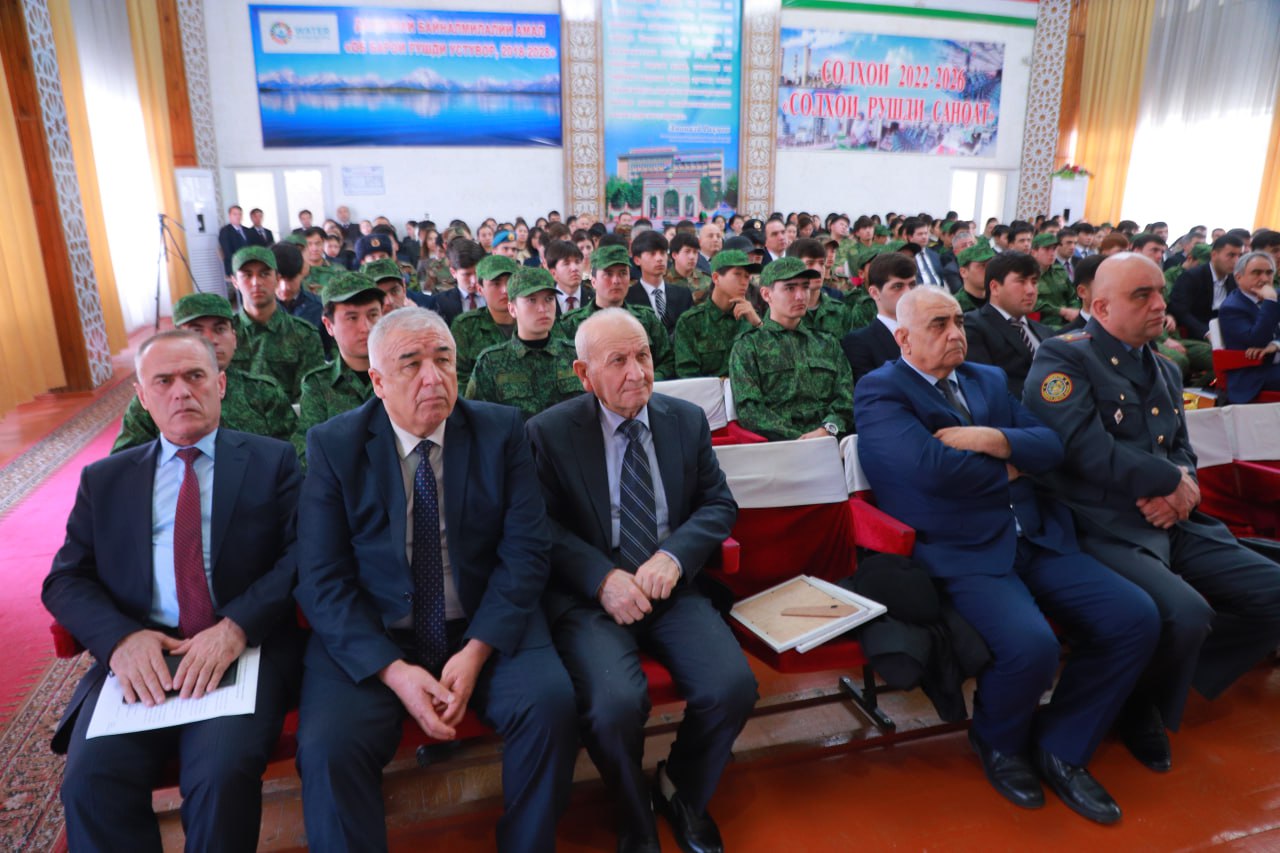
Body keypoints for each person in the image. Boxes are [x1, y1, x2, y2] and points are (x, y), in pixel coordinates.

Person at [855, 287, 1159, 825]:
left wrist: (992, 438)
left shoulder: (987, 378)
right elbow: (932, 472)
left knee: (1134, 618)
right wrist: (1016, 462)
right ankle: (999, 741)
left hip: (1038, 535)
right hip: (963, 548)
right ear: (903, 338)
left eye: (958, 321)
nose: (955, 333)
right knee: (1032, 647)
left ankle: (1062, 744)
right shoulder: (882, 391)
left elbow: (1051, 445)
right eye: (938, 325)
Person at [294, 308, 578, 852]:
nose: (434, 377)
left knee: (549, 707)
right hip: (378, 632)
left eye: (444, 360)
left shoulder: (501, 430)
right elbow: (322, 577)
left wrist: (477, 650)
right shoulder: (335, 445)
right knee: (329, 745)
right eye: (412, 364)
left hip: (482, 621)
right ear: (377, 381)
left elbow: (526, 552)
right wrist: (393, 671)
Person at [44, 330, 304, 850]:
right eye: (163, 381)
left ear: (220, 384)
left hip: (239, 650)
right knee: (90, 786)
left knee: (220, 776)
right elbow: (65, 579)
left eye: (195, 376)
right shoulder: (106, 480)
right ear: (142, 396)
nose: (181, 391)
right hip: (143, 653)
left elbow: (303, 555)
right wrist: (121, 640)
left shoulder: (271, 461)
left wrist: (235, 628)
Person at [1024, 252, 1280, 772]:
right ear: (1101, 307)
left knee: (1273, 592)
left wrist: (1184, 488)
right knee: (1186, 614)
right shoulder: (1063, 358)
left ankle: (1157, 683)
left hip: (1174, 518)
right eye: (1142, 295)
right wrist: (1169, 482)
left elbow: (1180, 447)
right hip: (1104, 524)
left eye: (1160, 292)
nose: (1160, 304)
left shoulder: (1162, 366)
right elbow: (1082, 449)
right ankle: (1143, 704)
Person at [526, 309, 757, 853]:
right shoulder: (549, 433)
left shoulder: (685, 420)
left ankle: (681, 789)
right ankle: (634, 816)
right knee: (614, 706)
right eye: (618, 361)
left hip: (668, 585)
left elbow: (718, 504)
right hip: (592, 597)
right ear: (584, 375)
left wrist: (674, 557)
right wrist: (601, 578)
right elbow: (540, 527)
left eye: (644, 355)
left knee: (732, 688)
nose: (637, 372)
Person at [114, 293, 296, 452]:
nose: (210, 339)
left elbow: (291, 456)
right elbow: (126, 464)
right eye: (196, 331)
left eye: (220, 329)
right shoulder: (153, 401)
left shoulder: (263, 392)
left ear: (234, 338)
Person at [728, 257, 854, 439]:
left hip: (828, 441)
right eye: (790, 288)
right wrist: (797, 438)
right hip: (779, 447)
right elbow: (750, 410)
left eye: (805, 287)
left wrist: (827, 429)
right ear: (766, 294)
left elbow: (846, 399)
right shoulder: (748, 347)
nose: (800, 296)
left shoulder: (827, 343)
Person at [466, 267, 583, 420]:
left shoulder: (575, 354)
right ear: (512, 309)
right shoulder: (491, 362)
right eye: (531, 300)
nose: (543, 309)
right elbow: (475, 418)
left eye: (549, 299)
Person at [293, 273, 384, 464]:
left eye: (373, 315)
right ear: (329, 325)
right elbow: (307, 454)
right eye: (352, 318)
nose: (366, 327)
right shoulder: (318, 385)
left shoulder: (402, 374)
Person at [561, 244, 675, 380]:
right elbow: (565, 371)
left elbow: (667, 361)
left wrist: (645, 380)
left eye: (622, 273)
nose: (616, 281)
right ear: (594, 281)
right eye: (608, 274)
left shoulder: (646, 319)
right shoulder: (571, 324)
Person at [228, 246, 326, 403]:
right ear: (235, 281)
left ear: (277, 278)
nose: (256, 282)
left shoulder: (304, 334)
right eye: (247, 275)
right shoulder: (225, 334)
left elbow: (311, 398)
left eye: (264, 274)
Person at [964, 251, 1058, 398]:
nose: (1031, 290)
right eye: (1021, 282)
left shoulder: (1045, 332)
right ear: (995, 287)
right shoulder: (973, 327)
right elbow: (986, 386)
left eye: (1034, 282)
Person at [673, 249, 763, 378]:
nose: (744, 282)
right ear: (716, 278)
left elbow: (773, 363)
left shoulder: (750, 318)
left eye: (747, 276)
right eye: (737, 274)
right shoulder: (691, 321)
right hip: (707, 390)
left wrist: (758, 324)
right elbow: (687, 374)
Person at [841, 251, 917, 384]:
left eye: (912, 285)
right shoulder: (859, 343)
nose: (908, 292)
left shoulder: (928, 332)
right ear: (875, 293)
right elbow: (872, 389)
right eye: (897, 286)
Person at [1217, 250, 1280, 403]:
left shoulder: (1275, 295)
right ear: (1238, 277)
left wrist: (1276, 344)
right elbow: (1257, 340)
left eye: (1269, 273)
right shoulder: (1232, 307)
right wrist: (1270, 301)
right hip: (1254, 373)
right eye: (1256, 273)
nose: (1264, 279)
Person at [452, 254, 519, 387]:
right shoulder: (466, 326)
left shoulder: (533, 321)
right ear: (480, 289)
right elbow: (458, 379)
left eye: (510, 282)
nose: (505, 290)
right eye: (496, 284)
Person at [1169, 233, 1245, 341]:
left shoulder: (1235, 279)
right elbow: (1180, 311)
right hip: (1197, 334)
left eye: (1240, 256)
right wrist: (1206, 332)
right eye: (1231, 255)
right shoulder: (1192, 277)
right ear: (1214, 255)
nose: (1236, 261)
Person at [627, 230, 694, 337]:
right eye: (652, 254)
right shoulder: (628, 297)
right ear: (637, 260)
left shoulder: (683, 295)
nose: (659, 259)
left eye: (663, 253)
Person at [433, 238, 486, 326]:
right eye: (466, 275)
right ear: (453, 272)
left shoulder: (493, 295)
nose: (474, 280)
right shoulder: (441, 303)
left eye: (478, 273)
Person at [1031, 232, 1079, 328]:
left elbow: (1072, 296)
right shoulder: (1027, 275)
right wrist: (1062, 311)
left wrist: (1075, 310)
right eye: (1046, 249)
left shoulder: (1059, 271)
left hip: (1069, 321)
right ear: (1034, 252)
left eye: (1054, 249)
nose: (1052, 253)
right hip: (1044, 324)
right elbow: (1033, 302)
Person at [666, 232, 713, 302]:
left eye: (695, 252)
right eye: (687, 251)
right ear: (675, 255)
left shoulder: (707, 280)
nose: (692, 257)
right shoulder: (663, 280)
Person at [954, 242, 995, 312]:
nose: (989, 270)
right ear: (963, 272)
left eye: (991, 264)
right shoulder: (955, 306)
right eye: (982, 266)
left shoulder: (1000, 300)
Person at [217, 204, 252, 278]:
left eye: (240, 214)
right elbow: (228, 253)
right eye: (235, 214)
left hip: (250, 264)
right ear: (230, 216)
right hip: (235, 266)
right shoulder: (225, 231)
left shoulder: (248, 230)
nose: (238, 216)